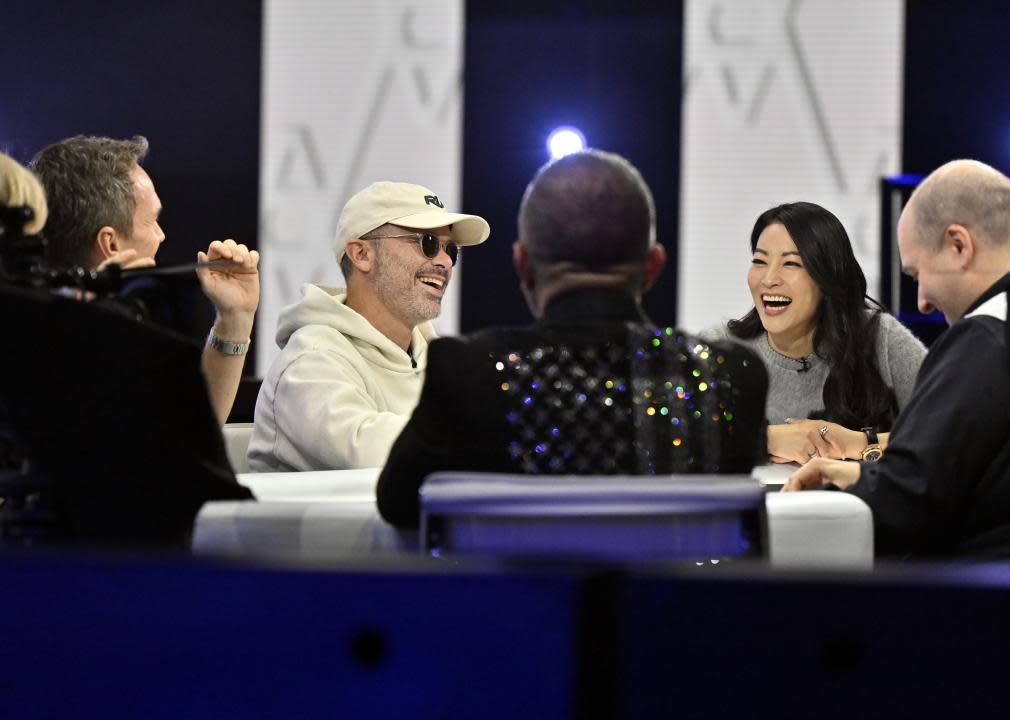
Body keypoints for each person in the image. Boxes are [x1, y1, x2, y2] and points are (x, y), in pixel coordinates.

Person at [376, 150, 769, 529]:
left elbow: (398, 505)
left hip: (518, 598)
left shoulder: (468, 373)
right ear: (653, 267)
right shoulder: (731, 376)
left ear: (523, 266)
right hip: (676, 599)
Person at [785, 159, 1010, 557]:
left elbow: (909, 499)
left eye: (917, 273)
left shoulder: (986, 337)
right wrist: (863, 471)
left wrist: (848, 487)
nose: (922, 302)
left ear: (959, 245)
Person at [247, 181, 490, 472]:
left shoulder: (435, 357)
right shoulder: (309, 362)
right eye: (427, 243)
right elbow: (372, 455)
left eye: (451, 250)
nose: (444, 262)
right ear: (361, 254)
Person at [31, 135, 260, 425]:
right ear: (110, 244)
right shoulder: (58, 353)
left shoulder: (37, 328)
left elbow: (190, 432)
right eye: (152, 220)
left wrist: (235, 319)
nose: (161, 235)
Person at [707, 202, 926, 465]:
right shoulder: (722, 349)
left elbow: (951, 430)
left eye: (791, 263)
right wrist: (765, 438)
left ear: (827, 277)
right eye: (759, 261)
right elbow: (670, 436)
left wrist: (860, 444)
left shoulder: (879, 337)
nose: (769, 279)